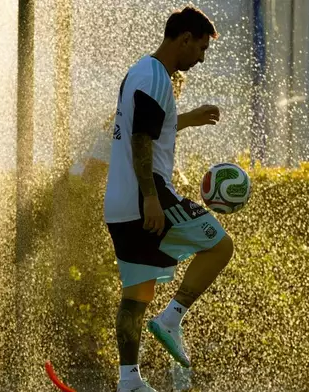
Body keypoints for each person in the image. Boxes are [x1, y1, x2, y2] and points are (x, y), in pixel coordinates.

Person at [103, 6, 234, 392]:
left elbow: (145, 126)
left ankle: (129, 380)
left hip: (119, 204)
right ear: (185, 38)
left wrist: (187, 118)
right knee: (220, 246)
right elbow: (141, 140)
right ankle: (172, 318)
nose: (202, 58)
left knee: (136, 293)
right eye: (202, 49)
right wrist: (151, 198)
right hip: (150, 194)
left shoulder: (140, 72)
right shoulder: (156, 75)